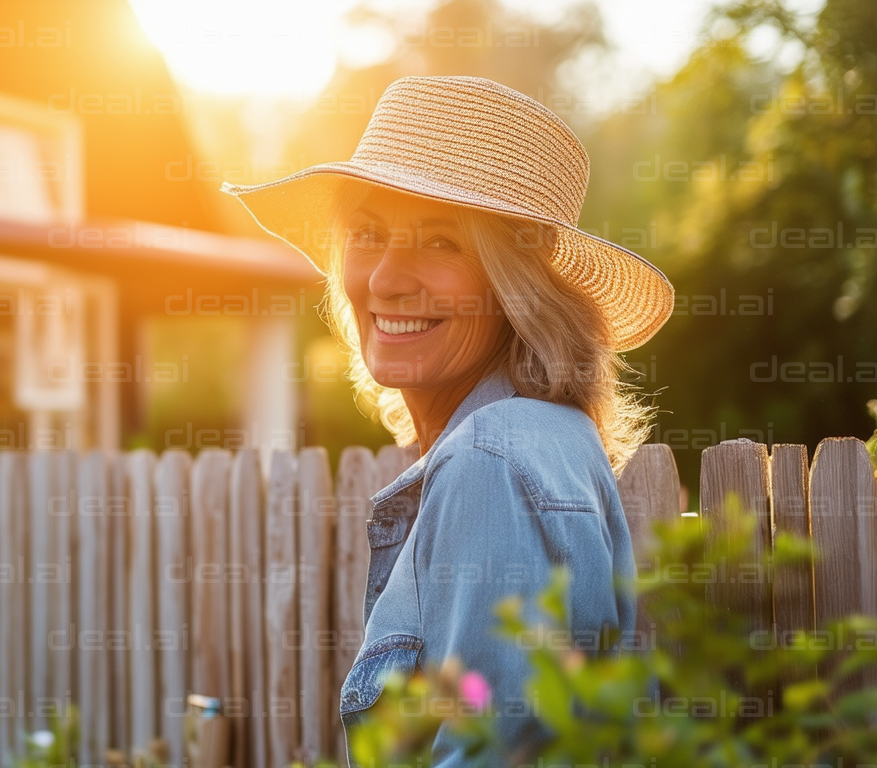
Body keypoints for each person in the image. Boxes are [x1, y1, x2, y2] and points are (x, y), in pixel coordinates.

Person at [223, 76, 674, 766]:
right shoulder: (541, 436)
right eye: (368, 234)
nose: (384, 280)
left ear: (514, 286)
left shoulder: (491, 459)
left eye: (441, 243)